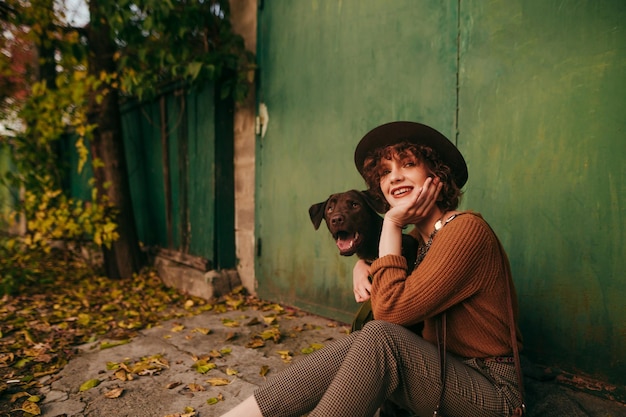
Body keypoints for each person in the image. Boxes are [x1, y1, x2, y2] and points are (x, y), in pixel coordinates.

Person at [220, 121, 524, 417]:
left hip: (494, 392)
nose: (394, 177)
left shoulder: (465, 231)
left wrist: (391, 222)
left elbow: (390, 312)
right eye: (385, 172)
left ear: (437, 174)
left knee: (381, 337)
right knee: (360, 342)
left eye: (407, 164)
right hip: (445, 370)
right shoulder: (423, 239)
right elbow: (395, 271)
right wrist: (363, 263)